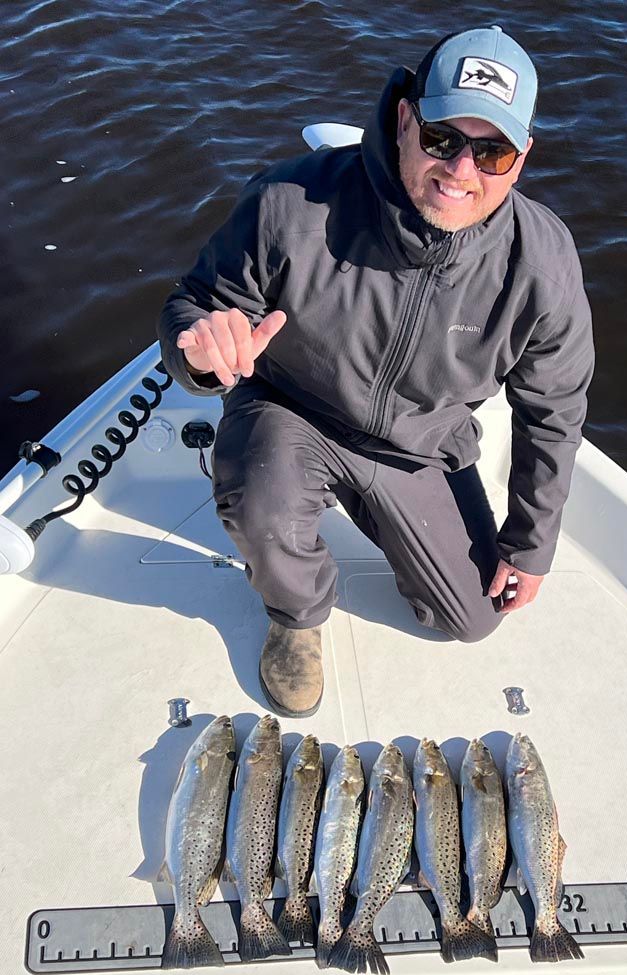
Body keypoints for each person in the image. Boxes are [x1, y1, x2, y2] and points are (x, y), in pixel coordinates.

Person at [157, 25, 595, 718]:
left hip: (419, 446)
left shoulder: (541, 262)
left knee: (471, 620)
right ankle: (294, 614)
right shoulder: (289, 201)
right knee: (260, 498)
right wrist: (199, 351)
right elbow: (197, 305)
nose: (460, 171)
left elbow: (556, 409)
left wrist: (530, 543)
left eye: (492, 151)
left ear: (522, 159)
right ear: (402, 120)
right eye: (442, 138)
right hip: (291, 412)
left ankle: (376, 511)